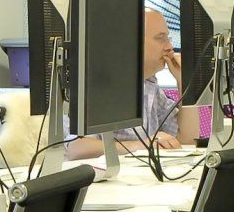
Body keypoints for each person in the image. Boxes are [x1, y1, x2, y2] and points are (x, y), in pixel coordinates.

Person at [68, 9, 201, 160]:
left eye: (168, 38)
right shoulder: (97, 84)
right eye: (161, 38)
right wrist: (140, 146)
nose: (169, 46)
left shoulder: (150, 85)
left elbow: (186, 140)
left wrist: (184, 82)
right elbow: (77, 148)